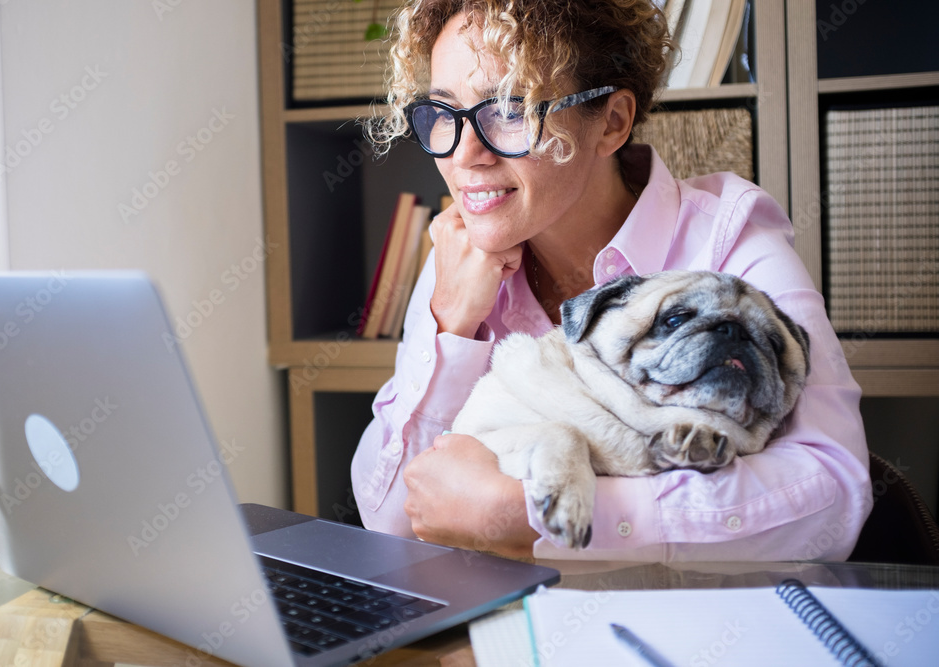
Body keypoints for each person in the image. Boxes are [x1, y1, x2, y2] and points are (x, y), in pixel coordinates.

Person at [351, 0, 872, 561]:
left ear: (612, 122)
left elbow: (833, 494)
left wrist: (534, 517)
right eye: (442, 113)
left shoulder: (728, 238)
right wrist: (451, 324)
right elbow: (389, 522)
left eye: (508, 108)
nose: (465, 155)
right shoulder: (460, 261)